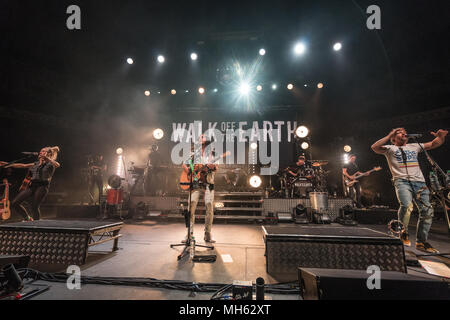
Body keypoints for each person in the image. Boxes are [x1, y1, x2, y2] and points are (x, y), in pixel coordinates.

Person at [371, 128, 447, 253]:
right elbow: (374, 147)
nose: (402, 133)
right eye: (398, 132)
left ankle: (421, 242)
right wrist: (390, 133)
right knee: (406, 206)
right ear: (393, 138)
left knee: (427, 211)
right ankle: (403, 232)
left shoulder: (415, 146)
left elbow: (434, 143)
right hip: (402, 181)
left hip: (419, 182)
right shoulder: (390, 149)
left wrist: (440, 136)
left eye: (403, 131)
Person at [2, 147, 60, 221]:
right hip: (32, 186)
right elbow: (22, 165)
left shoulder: (50, 164)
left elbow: (57, 165)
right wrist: (6, 164)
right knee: (14, 203)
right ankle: (27, 218)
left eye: (43, 151)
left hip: (42, 186)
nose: (40, 152)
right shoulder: (35, 164)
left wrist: (47, 158)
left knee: (34, 206)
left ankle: (37, 224)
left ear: (48, 154)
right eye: (41, 151)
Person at [182, 135, 217, 243]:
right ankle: (189, 234)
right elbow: (184, 163)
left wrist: (212, 166)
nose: (201, 137)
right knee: (191, 206)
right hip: (195, 184)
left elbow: (216, 167)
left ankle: (207, 233)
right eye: (200, 137)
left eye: (203, 136)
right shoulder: (192, 153)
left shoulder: (212, 153)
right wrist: (189, 170)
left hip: (208, 184)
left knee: (209, 207)